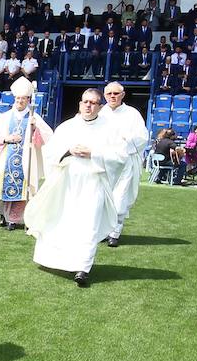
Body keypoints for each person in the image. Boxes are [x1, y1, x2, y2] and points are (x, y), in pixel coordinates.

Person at [24, 89, 128, 287]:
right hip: (67, 183)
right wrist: (68, 150)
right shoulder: (67, 127)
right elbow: (50, 152)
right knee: (61, 220)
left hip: (93, 183)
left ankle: (83, 268)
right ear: (80, 104)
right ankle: (56, 260)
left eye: (93, 103)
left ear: (99, 106)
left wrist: (94, 153)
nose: (88, 106)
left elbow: (120, 157)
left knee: (89, 224)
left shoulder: (110, 129)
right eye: (85, 102)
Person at [0, 77, 52, 231]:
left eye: (23, 98)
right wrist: (6, 139)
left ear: (28, 99)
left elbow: (48, 137)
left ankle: (13, 219)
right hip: (4, 158)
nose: (20, 101)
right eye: (18, 98)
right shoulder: (5, 117)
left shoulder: (34, 118)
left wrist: (36, 130)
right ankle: (2, 214)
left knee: (22, 191)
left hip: (25, 160)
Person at [98, 82, 149, 246]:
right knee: (101, 198)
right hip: (103, 162)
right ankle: (102, 231)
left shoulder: (132, 114)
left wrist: (125, 140)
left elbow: (142, 138)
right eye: (109, 93)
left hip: (124, 163)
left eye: (116, 93)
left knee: (119, 198)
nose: (112, 96)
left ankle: (115, 232)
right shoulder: (100, 112)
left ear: (123, 95)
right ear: (104, 95)